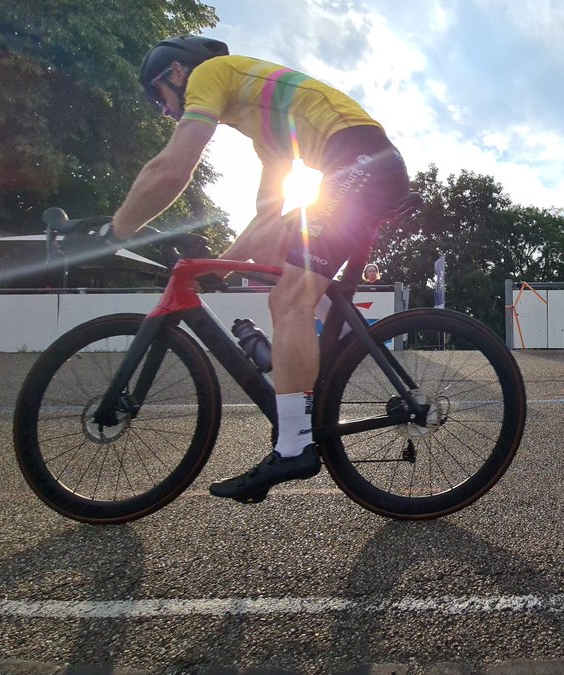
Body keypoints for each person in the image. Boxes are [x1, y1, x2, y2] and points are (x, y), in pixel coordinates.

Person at [110, 36, 409, 501]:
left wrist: (117, 232)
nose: (165, 112)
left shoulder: (210, 73)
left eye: (159, 99)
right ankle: (296, 368)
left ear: (175, 73)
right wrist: (221, 270)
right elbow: (266, 220)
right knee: (278, 258)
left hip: (357, 162)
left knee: (289, 296)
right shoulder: (266, 133)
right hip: (361, 165)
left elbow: (172, 168)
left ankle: (293, 446)